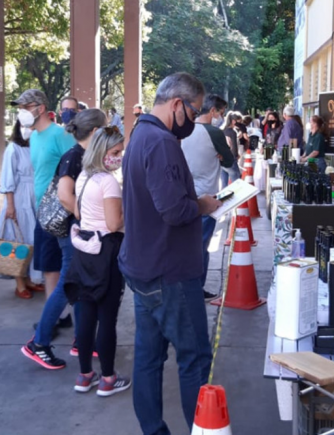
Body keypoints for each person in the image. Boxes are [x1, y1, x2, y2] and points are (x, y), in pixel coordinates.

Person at [118, 72, 221, 434]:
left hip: (145, 267)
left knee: (148, 357)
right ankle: (203, 429)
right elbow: (175, 210)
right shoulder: (161, 142)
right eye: (194, 113)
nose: (194, 121)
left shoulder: (140, 136)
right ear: (177, 105)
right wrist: (205, 205)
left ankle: (153, 429)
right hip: (169, 273)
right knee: (194, 358)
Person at [22, 108, 107, 370]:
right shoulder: (74, 156)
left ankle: (81, 341)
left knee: (78, 286)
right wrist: (87, 219)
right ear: (94, 132)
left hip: (77, 231)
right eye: (104, 129)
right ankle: (39, 343)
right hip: (72, 231)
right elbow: (64, 195)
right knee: (66, 287)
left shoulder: (84, 155)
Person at [65, 125, 130, 396]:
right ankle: (107, 378)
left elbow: (80, 212)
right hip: (107, 251)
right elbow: (115, 223)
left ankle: (84, 375)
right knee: (107, 318)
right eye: (115, 152)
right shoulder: (108, 182)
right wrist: (131, 212)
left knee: (87, 315)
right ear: (103, 151)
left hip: (84, 251)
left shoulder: (82, 178)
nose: (119, 156)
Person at [11, 90, 75, 301]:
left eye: (25, 107)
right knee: (49, 268)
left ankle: (55, 316)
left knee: (57, 268)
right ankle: (57, 315)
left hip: (60, 211)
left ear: (40, 108)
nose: (21, 112)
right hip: (42, 211)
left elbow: (78, 168)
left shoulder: (60, 135)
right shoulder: (35, 137)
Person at [182, 94, 234, 301]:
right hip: (207, 198)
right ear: (213, 111)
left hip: (183, 196)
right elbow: (229, 161)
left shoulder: (182, 130)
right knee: (201, 247)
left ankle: (185, 288)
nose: (221, 117)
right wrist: (222, 154)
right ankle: (196, 290)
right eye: (221, 113)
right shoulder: (214, 133)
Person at [0, 120, 44, 298]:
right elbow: (7, 178)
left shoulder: (36, 145)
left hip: (35, 197)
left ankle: (28, 279)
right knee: (18, 240)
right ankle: (20, 284)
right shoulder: (13, 148)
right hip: (19, 199)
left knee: (32, 241)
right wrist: (10, 206)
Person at [220, 111, 242, 188]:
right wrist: (236, 156)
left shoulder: (222, 130)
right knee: (237, 184)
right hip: (231, 160)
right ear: (233, 121)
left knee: (224, 185)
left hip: (222, 161)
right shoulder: (232, 132)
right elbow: (234, 147)